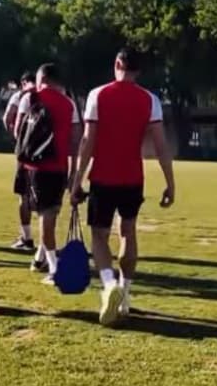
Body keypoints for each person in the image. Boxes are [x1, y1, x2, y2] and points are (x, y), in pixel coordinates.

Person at [70, 48, 175, 326]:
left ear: (117, 63)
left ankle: (109, 285)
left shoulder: (98, 95)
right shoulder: (150, 100)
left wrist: (77, 180)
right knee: (128, 231)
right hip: (133, 178)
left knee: (99, 235)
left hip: (103, 177)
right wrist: (170, 183)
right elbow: (161, 146)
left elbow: (88, 141)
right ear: (139, 70)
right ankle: (125, 295)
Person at [15, 63, 81, 283]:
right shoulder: (69, 104)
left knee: (45, 217)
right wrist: (74, 170)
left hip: (35, 167)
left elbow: (18, 131)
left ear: (42, 78)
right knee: (50, 213)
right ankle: (40, 258)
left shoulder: (30, 98)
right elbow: (75, 140)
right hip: (59, 166)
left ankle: (53, 267)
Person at [4, 71, 36, 254]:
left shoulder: (21, 96)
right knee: (46, 200)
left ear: (23, 82)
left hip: (26, 153)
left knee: (23, 194)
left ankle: (27, 237)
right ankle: (47, 244)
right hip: (49, 154)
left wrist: (17, 139)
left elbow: (7, 118)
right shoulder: (53, 94)